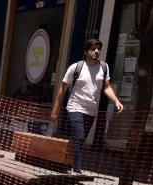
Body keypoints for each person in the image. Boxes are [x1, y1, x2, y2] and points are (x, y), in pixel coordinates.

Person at [51, 38, 124, 174]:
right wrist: (55, 109)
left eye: (98, 49)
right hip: (75, 106)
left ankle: (64, 161)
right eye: (93, 49)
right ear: (86, 51)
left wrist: (116, 101)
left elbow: (106, 87)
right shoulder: (76, 67)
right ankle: (76, 168)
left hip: (91, 110)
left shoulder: (103, 67)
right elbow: (63, 88)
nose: (96, 51)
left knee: (80, 139)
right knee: (79, 136)